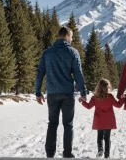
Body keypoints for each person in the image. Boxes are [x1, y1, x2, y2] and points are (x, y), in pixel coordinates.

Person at [35, 26, 87, 158]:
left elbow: (40, 73)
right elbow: (78, 74)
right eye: (72, 38)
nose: (71, 40)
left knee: (52, 123)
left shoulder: (47, 53)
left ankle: (50, 153)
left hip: (52, 93)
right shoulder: (73, 52)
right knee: (68, 124)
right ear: (68, 36)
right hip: (67, 94)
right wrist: (83, 92)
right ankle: (67, 154)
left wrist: (37, 92)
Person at [80, 78, 125, 159]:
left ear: (98, 87)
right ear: (107, 87)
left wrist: (82, 101)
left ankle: (100, 150)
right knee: (107, 138)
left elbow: (88, 106)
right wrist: (123, 99)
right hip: (108, 121)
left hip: (99, 120)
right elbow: (118, 105)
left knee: (100, 137)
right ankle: (107, 155)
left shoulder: (94, 98)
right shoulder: (110, 97)